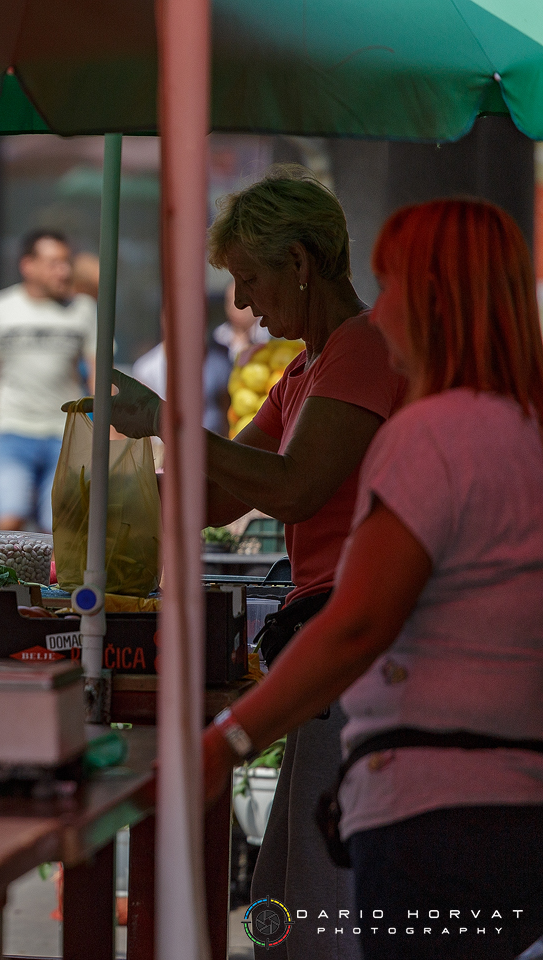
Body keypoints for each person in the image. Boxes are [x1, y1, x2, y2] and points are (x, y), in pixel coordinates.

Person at [202, 198, 543, 959]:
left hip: (428, 795)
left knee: (308, 924)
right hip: (513, 788)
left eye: (391, 286)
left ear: (431, 301)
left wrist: (227, 740)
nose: (378, 310)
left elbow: (356, 623)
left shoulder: (433, 432)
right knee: (280, 905)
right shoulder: (521, 423)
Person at [80, 166, 407, 960]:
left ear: (299, 262)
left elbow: (293, 490)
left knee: (316, 895)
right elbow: (221, 497)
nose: (242, 305)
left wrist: (164, 420)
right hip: (322, 650)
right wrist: (100, 499)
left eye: (249, 279)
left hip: (359, 646)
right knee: (282, 892)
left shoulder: (362, 352)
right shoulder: (302, 373)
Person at [0, 229, 96, 531]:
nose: (64, 270)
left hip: (65, 434)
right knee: (9, 522)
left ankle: (51, 581)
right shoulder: (0, 307)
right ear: (28, 266)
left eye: (66, 262)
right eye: (53, 262)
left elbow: (98, 373)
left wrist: (110, 429)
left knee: (59, 527)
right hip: (11, 429)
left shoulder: (83, 310)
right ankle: (14, 581)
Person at [215, 278, 270, 362]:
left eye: (240, 301)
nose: (233, 308)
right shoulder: (218, 339)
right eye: (229, 302)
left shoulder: (272, 334)